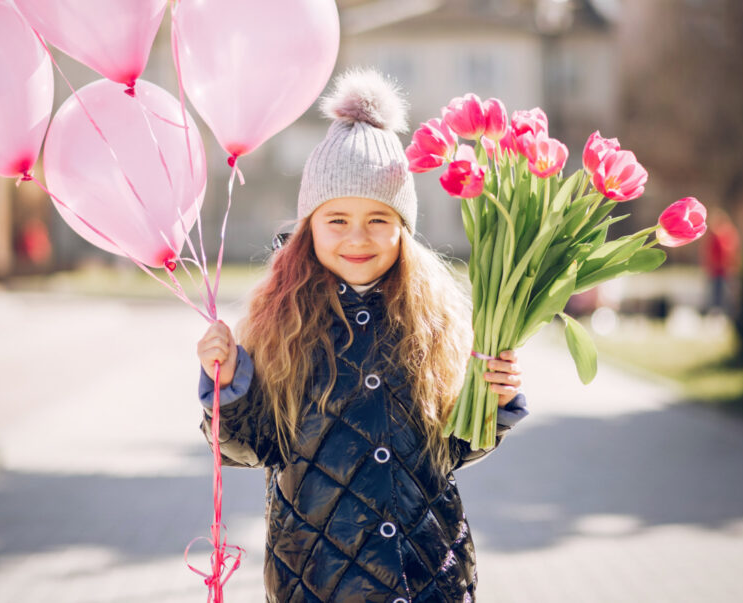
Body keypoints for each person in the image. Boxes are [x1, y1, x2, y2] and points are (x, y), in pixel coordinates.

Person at [196, 68, 528, 602]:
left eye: (379, 219)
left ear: (404, 229)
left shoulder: (432, 323)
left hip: (428, 576)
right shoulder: (279, 326)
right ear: (309, 227)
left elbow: (454, 447)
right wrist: (229, 387)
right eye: (337, 220)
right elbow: (247, 447)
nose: (358, 237)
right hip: (319, 580)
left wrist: (496, 401)